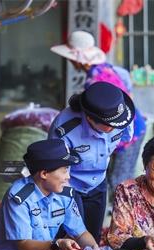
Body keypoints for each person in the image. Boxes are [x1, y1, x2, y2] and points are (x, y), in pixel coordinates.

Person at [50, 30, 147, 205]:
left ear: (77, 59)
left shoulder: (96, 82)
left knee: (119, 181)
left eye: (71, 58)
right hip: (122, 128)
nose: (71, 62)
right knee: (113, 178)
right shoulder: (108, 69)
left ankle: (123, 224)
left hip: (128, 129)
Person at [0, 139, 99, 250]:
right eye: (64, 171)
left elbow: (80, 234)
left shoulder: (63, 193)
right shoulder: (19, 196)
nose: (68, 177)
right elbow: (23, 246)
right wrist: (57, 245)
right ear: (44, 174)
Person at [48, 81, 135, 244]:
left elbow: (123, 141)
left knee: (93, 238)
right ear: (89, 117)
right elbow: (55, 169)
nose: (113, 128)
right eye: (107, 125)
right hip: (69, 184)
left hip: (98, 183)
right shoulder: (65, 128)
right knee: (74, 237)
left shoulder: (121, 119)